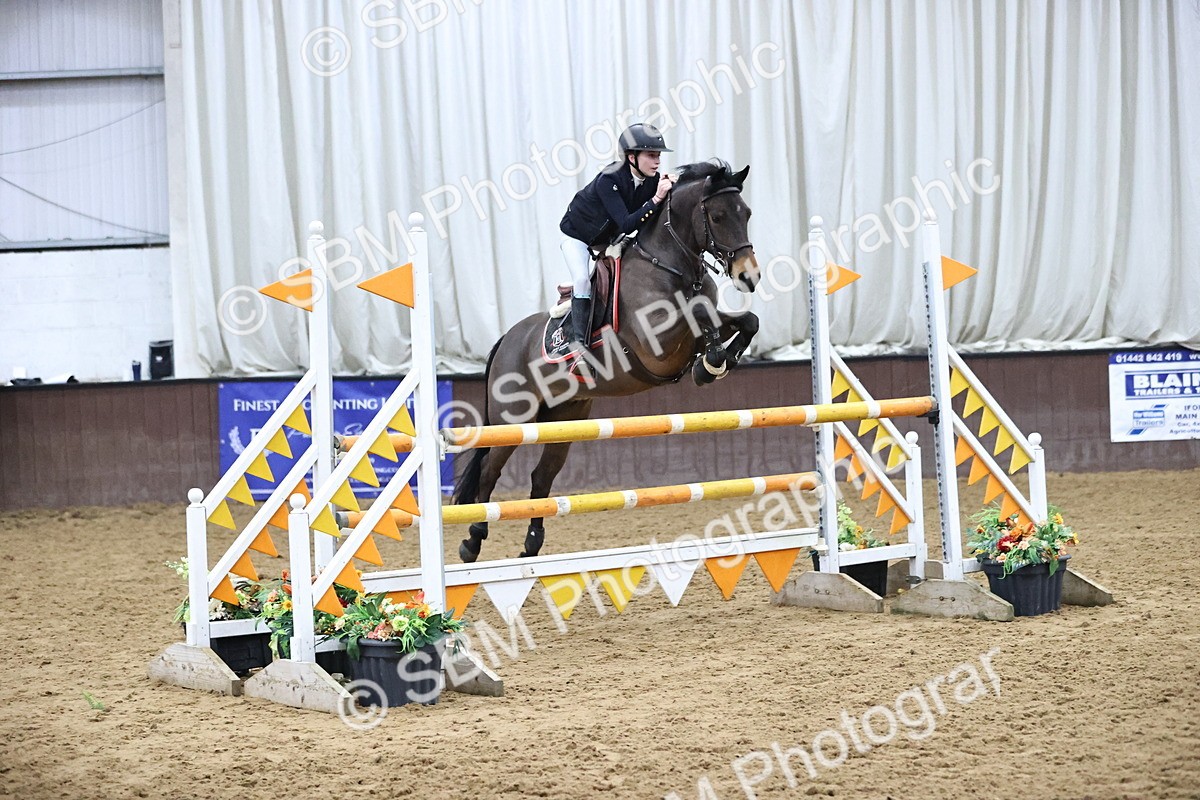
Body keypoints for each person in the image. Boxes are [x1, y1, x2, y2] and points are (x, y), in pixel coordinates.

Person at [559, 123, 676, 348]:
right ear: (631, 157)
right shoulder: (608, 179)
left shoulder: (652, 179)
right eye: (651, 156)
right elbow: (626, 223)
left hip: (609, 239)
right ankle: (578, 345)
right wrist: (656, 200)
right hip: (578, 237)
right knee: (582, 280)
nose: (657, 161)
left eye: (659, 156)